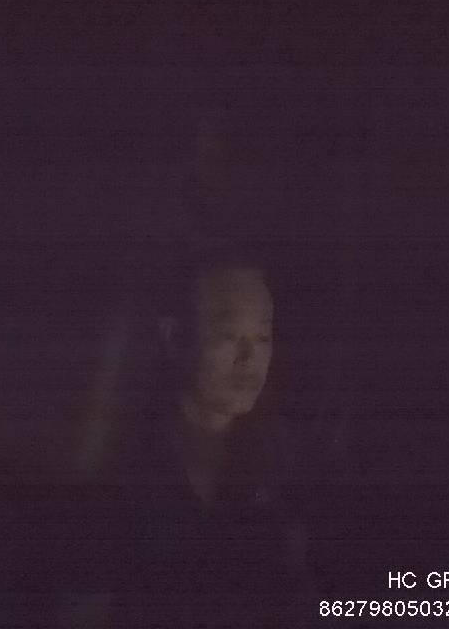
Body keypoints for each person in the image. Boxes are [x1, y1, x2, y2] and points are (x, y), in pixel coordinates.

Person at [74, 246, 314, 628]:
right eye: (228, 335)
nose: (249, 358)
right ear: (174, 336)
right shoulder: (128, 465)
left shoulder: (283, 463)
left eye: (262, 337)